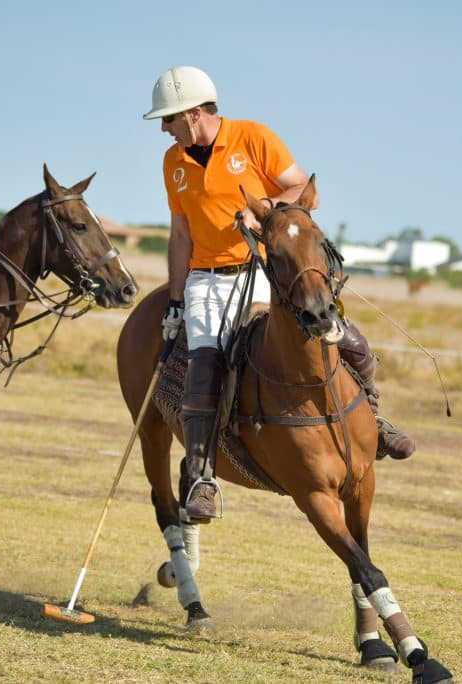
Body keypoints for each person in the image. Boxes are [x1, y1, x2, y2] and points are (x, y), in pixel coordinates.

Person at [143, 66, 416, 524]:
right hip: (208, 279)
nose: (166, 131)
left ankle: (374, 421)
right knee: (205, 364)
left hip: (267, 269)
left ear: (193, 115)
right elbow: (179, 235)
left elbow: (299, 187)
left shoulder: (253, 137)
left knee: (347, 340)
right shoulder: (174, 162)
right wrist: (175, 299)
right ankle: (203, 473)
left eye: (169, 120)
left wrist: (262, 214)